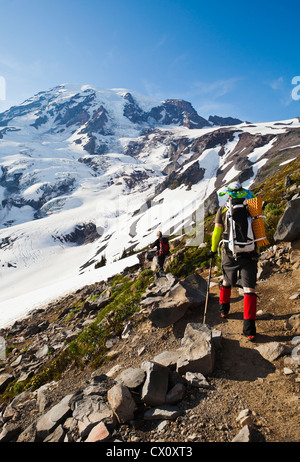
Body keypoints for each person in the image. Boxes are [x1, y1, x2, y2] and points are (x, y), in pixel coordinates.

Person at [208, 181, 259, 342]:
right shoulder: (251, 207)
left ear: (229, 194)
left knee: (226, 280)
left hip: (230, 253)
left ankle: (224, 310)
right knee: (249, 289)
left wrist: (212, 249)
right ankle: (249, 330)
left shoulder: (223, 209)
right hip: (249, 253)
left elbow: (217, 232)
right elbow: (258, 229)